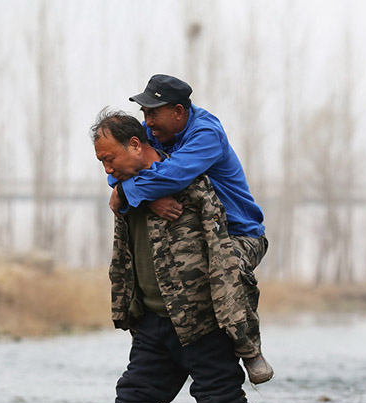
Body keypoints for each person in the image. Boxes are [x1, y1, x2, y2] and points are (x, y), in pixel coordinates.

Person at [91, 108, 267, 403]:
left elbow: (223, 257)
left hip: (201, 322)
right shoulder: (126, 190)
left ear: (137, 145)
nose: (107, 170)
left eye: (110, 159)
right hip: (153, 323)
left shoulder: (192, 184)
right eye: (102, 162)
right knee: (134, 402)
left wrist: (240, 331)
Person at [108, 74, 272, 384]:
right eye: (144, 113)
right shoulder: (151, 133)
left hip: (239, 233)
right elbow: (121, 167)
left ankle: (249, 348)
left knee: (228, 269)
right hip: (197, 234)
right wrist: (146, 198)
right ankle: (154, 343)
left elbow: (173, 176)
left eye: (153, 112)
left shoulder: (206, 134)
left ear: (179, 111)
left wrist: (132, 193)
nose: (147, 121)